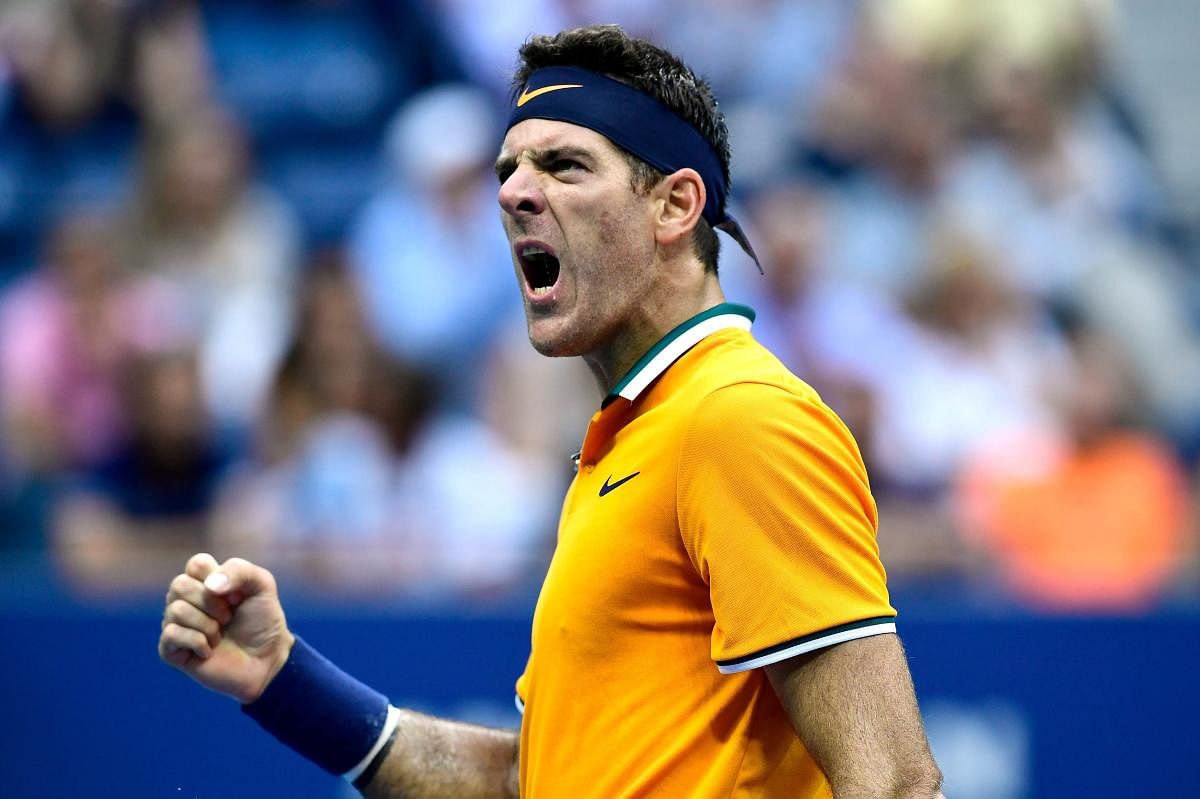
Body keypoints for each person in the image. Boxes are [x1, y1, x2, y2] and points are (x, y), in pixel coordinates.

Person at [159, 25, 943, 798]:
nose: (512, 192)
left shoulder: (738, 417)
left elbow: (897, 783)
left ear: (675, 206)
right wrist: (284, 680)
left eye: (564, 165)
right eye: (509, 170)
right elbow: (527, 780)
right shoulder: (635, 439)